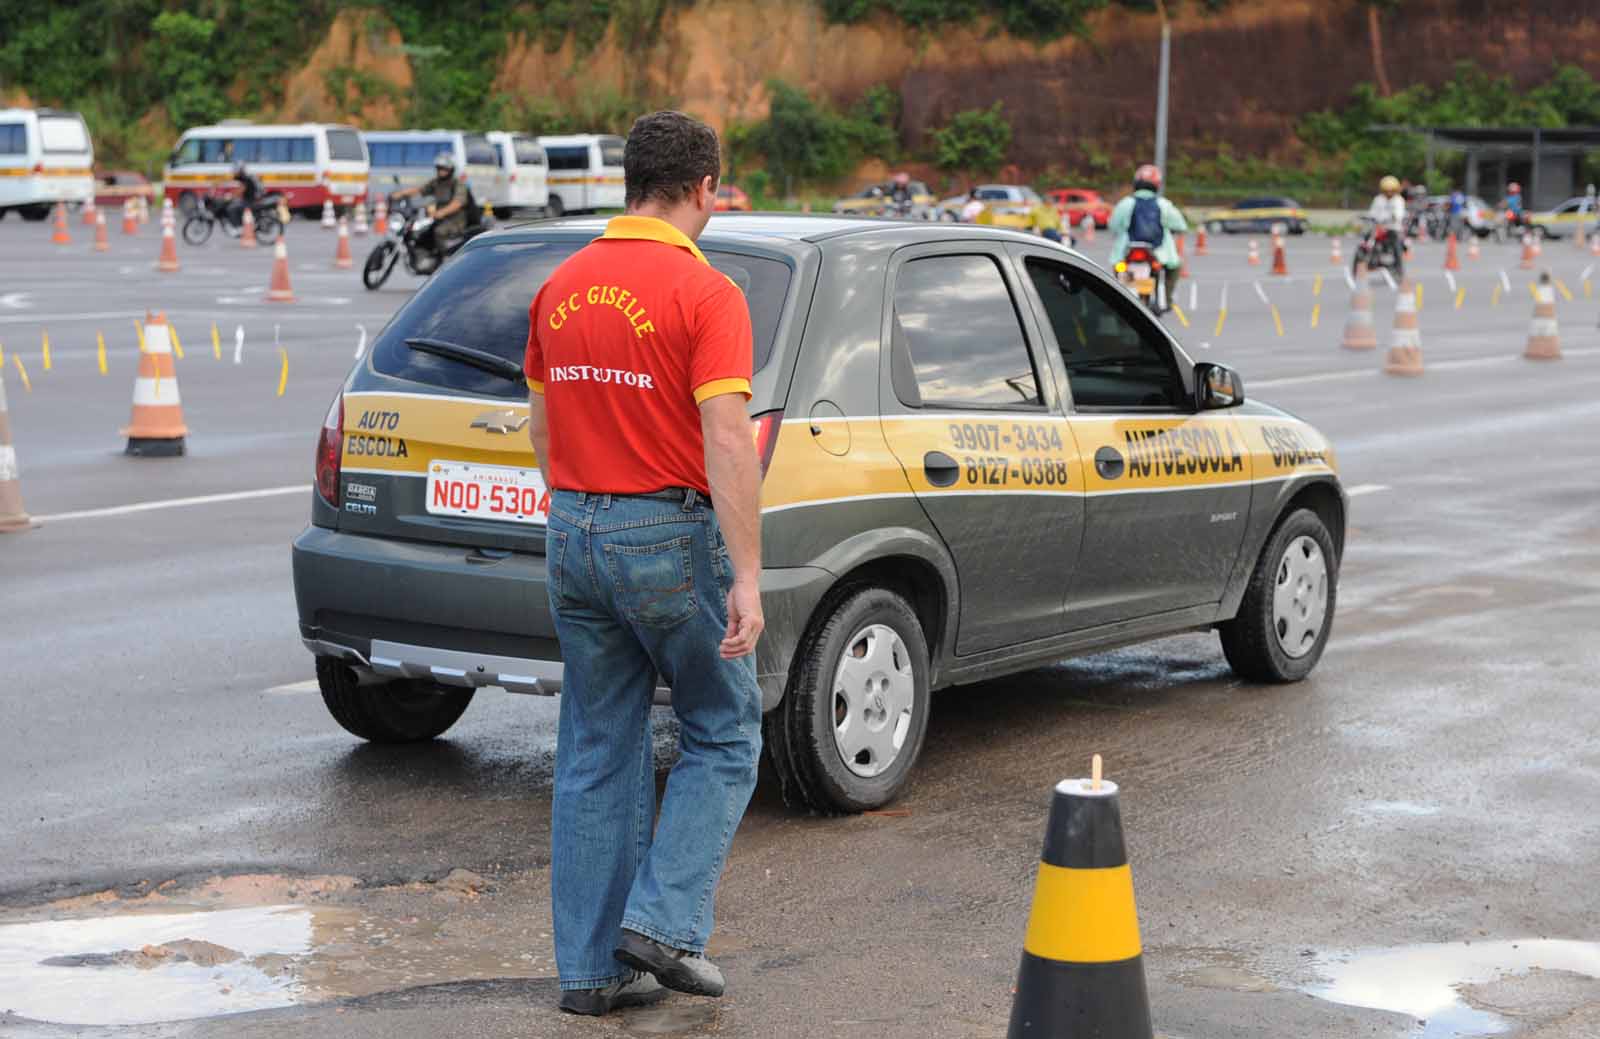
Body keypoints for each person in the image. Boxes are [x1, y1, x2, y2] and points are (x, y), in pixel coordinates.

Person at [523, 110, 764, 1018]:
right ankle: (663, 922)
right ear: (705, 188)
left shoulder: (563, 284)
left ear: (631, 182)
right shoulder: (706, 294)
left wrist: (581, 507)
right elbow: (728, 439)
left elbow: (542, 426)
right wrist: (745, 574)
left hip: (572, 529)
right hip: (662, 532)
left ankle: (589, 974)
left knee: (594, 744)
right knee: (725, 729)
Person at [1107, 163, 1187, 277]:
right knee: (1173, 269)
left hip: (1125, 253)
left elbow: (1113, 226)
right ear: (1157, 185)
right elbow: (1181, 226)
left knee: (1119, 276)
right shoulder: (1164, 205)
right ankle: (1168, 295)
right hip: (1160, 256)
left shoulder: (1125, 204)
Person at [389, 152, 469, 255]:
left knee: (439, 232)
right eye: (439, 168)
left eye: (444, 168)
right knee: (420, 232)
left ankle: (447, 259)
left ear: (451, 169)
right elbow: (420, 190)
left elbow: (458, 203)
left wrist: (441, 212)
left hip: (454, 221)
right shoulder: (436, 182)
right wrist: (401, 194)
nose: (441, 171)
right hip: (438, 218)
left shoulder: (457, 184)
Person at [226, 162, 261, 229]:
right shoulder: (244, 177)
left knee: (231, 208)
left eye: (236, 171)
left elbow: (242, 189)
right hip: (249, 199)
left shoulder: (245, 178)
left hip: (249, 200)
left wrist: (232, 196)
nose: (235, 173)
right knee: (236, 204)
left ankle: (237, 226)